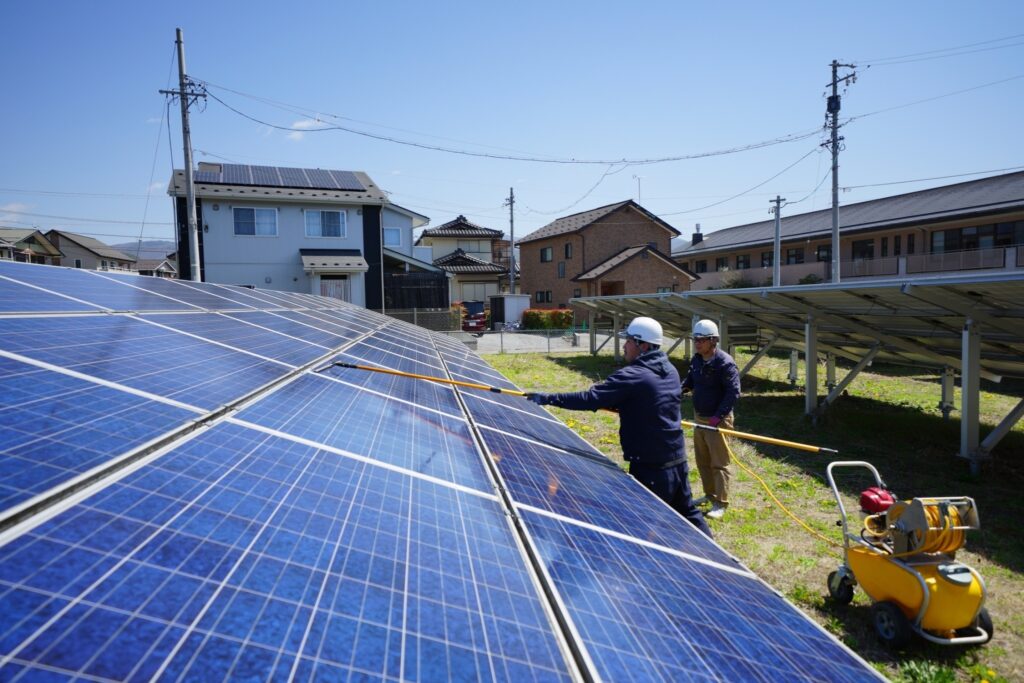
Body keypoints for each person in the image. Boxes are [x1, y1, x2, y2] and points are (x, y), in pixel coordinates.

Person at [525, 316, 712, 538]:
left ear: (643, 346)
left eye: (629, 341)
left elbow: (590, 398)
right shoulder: (670, 371)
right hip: (677, 460)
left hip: (651, 467)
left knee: (639, 526)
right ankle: (724, 563)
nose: (624, 346)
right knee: (688, 512)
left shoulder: (633, 376)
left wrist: (548, 398)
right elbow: (651, 400)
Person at [681, 319, 741, 520]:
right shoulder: (697, 360)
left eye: (701, 340)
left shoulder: (725, 363)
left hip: (718, 420)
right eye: (695, 339)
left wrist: (718, 416)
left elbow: (733, 392)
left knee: (719, 463)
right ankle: (709, 494)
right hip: (699, 417)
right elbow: (690, 381)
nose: (697, 343)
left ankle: (721, 502)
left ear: (713, 341)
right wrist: (677, 392)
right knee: (703, 460)